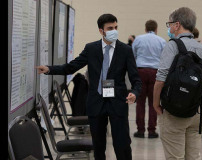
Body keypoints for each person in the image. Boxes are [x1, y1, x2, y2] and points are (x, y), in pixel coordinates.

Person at [36, 13, 142, 160]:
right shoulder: (91, 48)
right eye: (110, 28)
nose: (114, 30)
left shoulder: (125, 50)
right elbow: (71, 67)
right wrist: (49, 69)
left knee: (122, 144)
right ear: (101, 30)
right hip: (96, 102)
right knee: (98, 146)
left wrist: (135, 93)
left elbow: (136, 78)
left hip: (117, 102)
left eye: (116, 27)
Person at [153, 7, 202, 160]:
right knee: (193, 157)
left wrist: (155, 103)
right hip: (196, 113)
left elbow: (161, 78)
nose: (169, 27)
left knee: (175, 157)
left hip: (174, 112)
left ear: (177, 25)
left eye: (170, 24)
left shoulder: (172, 46)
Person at [132, 20, 166, 138]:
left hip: (140, 71)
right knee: (154, 102)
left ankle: (140, 130)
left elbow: (133, 55)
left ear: (145, 28)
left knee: (140, 102)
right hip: (155, 73)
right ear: (156, 29)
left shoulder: (138, 39)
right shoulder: (161, 41)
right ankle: (152, 131)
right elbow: (164, 58)